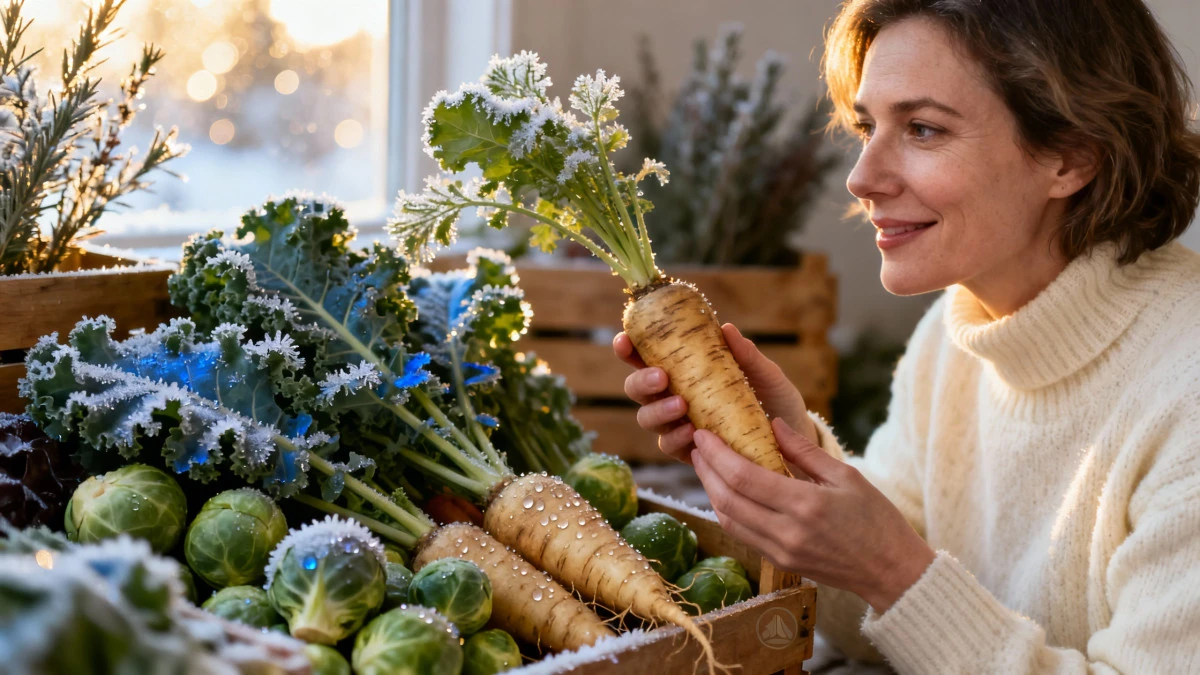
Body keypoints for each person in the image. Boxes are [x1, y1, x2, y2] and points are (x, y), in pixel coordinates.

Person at [613, 0, 1200, 672]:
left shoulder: (1185, 390)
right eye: (868, 126)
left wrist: (893, 571)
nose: (861, 178)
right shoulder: (955, 334)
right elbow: (883, 630)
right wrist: (790, 460)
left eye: (923, 129)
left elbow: (900, 581)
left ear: (1072, 156)